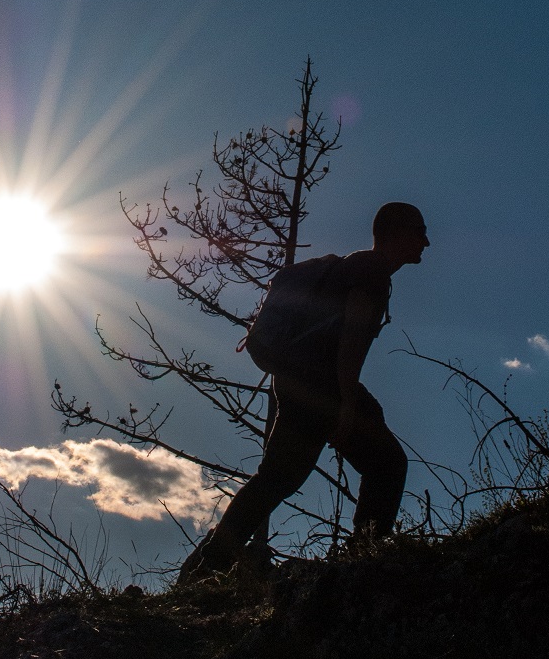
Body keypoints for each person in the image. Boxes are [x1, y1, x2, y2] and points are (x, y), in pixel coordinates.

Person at [178, 202, 429, 582]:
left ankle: (203, 569)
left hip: (296, 380)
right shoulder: (373, 269)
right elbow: (352, 337)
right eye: (419, 232)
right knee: (387, 465)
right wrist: (346, 402)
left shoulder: (353, 265)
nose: (426, 242)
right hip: (322, 385)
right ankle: (363, 562)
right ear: (395, 232)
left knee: (276, 478)